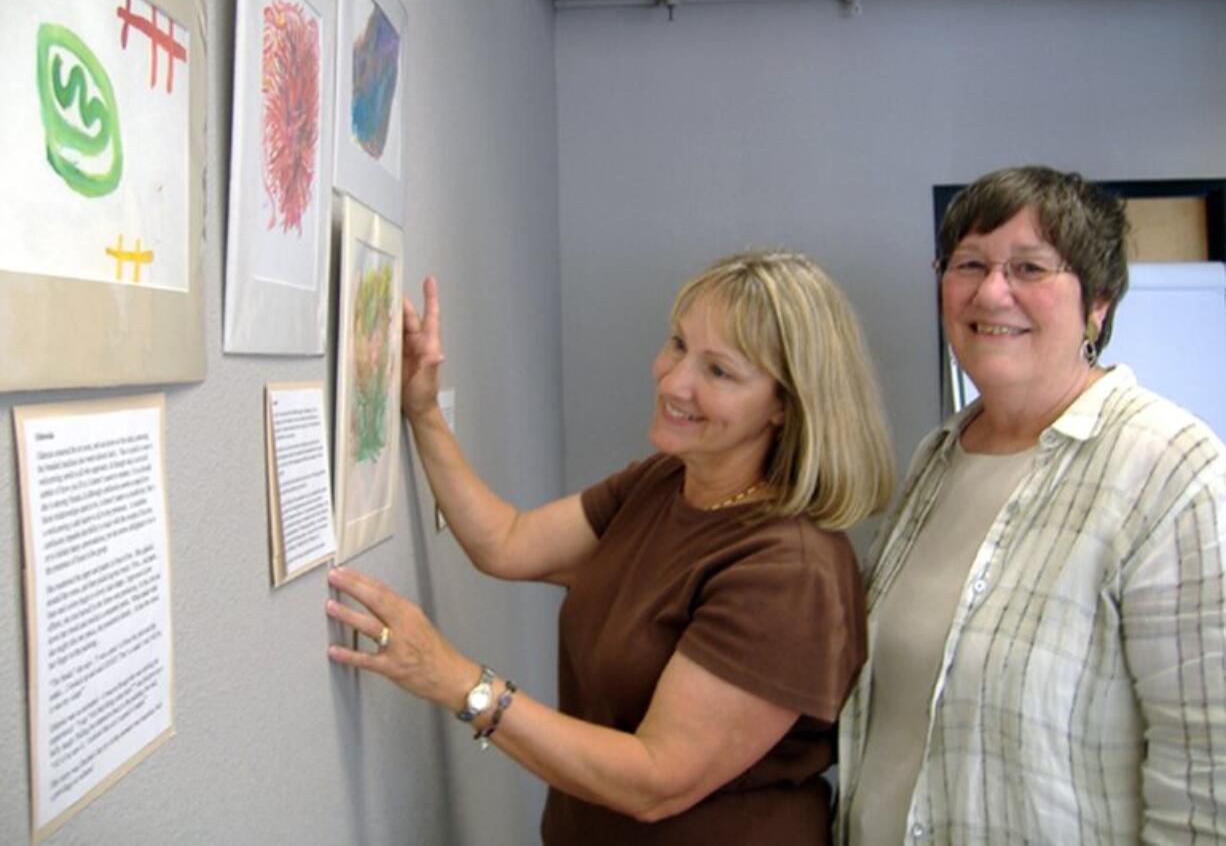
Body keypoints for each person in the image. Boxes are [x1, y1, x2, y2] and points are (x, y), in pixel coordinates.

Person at [325, 249, 895, 844]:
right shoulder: (663, 482)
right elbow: (507, 542)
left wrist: (453, 678)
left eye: (719, 371)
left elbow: (656, 780)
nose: (674, 382)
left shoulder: (790, 570)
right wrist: (422, 411)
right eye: (678, 344)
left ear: (786, 404)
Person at [836, 165, 1226, 844]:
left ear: (1098, 303)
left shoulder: (1170, 466)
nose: (992, 291)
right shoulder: (939, 457)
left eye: (1029, 268)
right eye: (969, 264)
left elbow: (1209, 773)